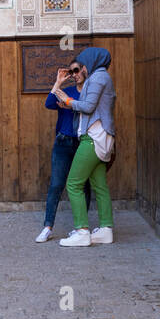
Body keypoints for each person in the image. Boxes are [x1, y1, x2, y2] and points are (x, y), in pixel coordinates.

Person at [50, 46, 116, 247]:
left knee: (73, 183)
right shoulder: (101, 77)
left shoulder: (97, 78)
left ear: (91, 62)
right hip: (101, 137)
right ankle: (106, 230)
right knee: (99, 185)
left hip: (93, 137)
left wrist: (69, 101)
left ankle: (82, 232)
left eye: (83, 65)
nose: (82, 69)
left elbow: (87, 106)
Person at [35, 59, 92, 243]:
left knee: (84, 186)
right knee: (56, 185)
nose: (74, 74)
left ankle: (81, 228)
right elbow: (49, 103)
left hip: (83, 143)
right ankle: (47, 227)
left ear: (84, 71)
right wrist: (58, 82)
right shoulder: (65, 91)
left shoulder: (91, 94)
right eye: (71, 71)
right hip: (63, 142)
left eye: (77, 71)